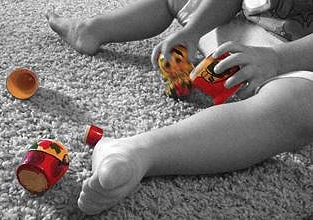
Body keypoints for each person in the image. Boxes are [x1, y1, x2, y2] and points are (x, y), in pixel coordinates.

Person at [46, 0, 313, 215]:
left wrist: (277, 59)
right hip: (240, 30)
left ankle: (138, 152)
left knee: (301, 108)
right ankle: (93, 29)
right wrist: (193, 30)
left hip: (297, 60)